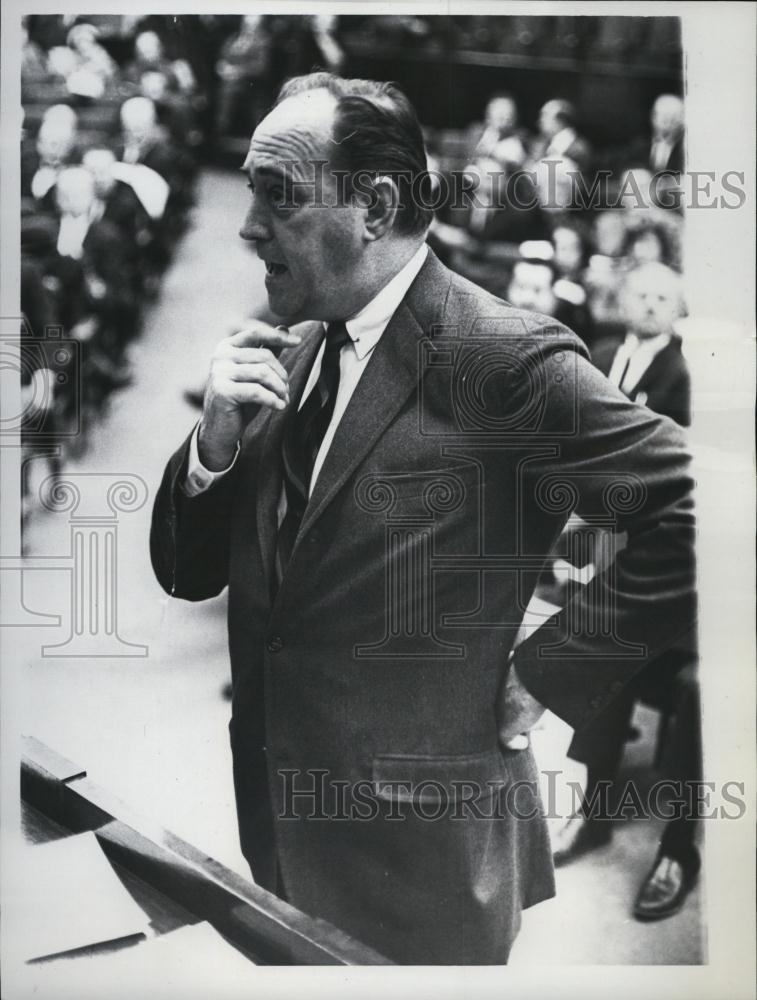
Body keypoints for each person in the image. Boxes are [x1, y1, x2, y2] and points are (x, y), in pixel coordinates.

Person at [150, 72, 696, 965]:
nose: (248, 229)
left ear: (374, 204)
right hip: (282, 822)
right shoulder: (294, 337)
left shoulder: (502, 358)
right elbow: (189, 573)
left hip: (422, 867)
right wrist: (211, 452)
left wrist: (553, 666)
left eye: (278, 199)